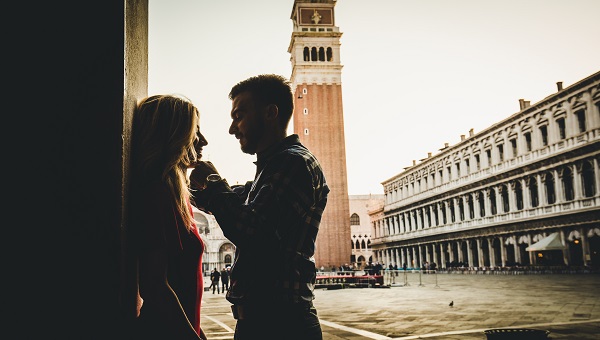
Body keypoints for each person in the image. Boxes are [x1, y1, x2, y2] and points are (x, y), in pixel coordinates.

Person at [190, 74, 328, 340]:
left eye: (239, 116)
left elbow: (252, 230)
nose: (232, 129)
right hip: (266, 320)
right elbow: (230, 199)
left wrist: (214, 182)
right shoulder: (272, 170)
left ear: (270, 113)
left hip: (279, 324)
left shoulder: (293, 163)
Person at [128, 94, 208, 340]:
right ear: (173, 135)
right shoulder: (158, 193)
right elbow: (154, 286)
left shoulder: (175, 194)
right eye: (195, 131)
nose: (204, 140)